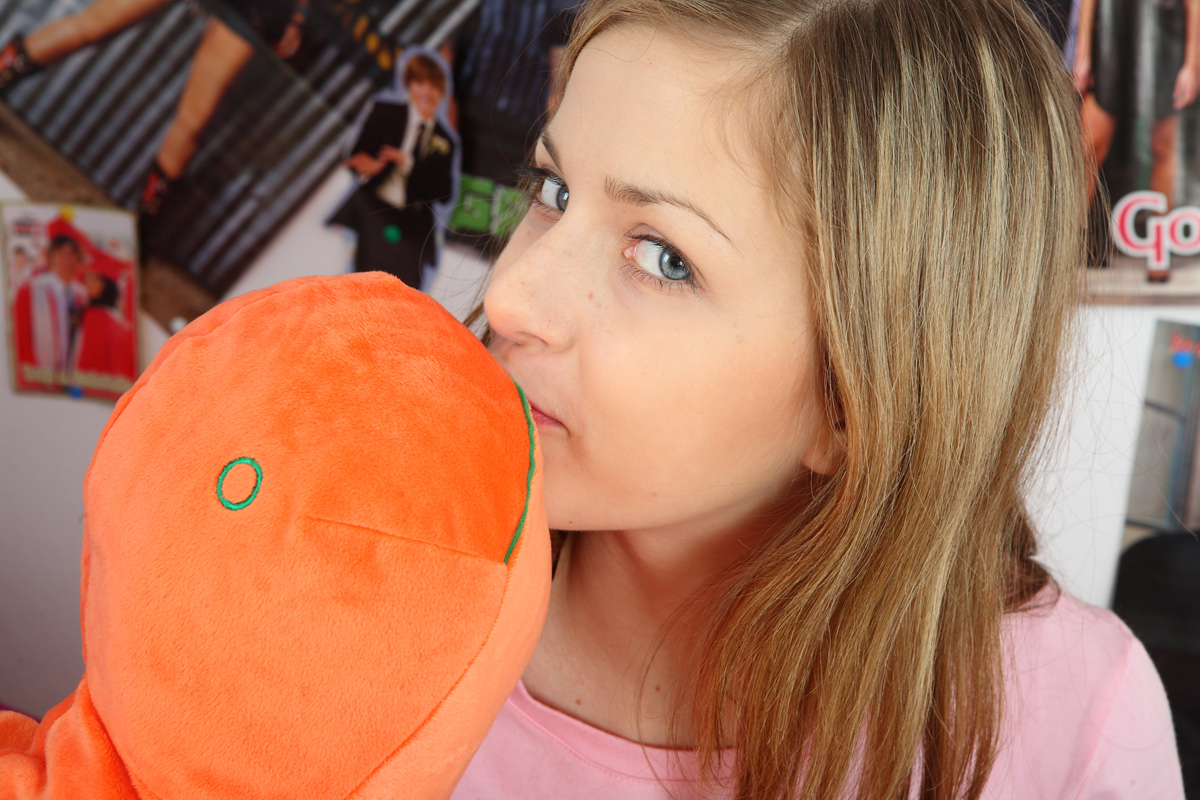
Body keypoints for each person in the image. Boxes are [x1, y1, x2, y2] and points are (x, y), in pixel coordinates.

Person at [451, 1, 1185, 798]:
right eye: (554, 191)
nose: (512, 296)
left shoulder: (1076, 724)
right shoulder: (371, 582)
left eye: (664, 258)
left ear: (853, 400)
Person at [1074, 0, 1200, 280]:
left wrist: (1192, 63)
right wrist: (1083, 54)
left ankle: (1159, 249)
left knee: (1163, 148)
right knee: (1087, 145)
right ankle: (1067, 242)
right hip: (1113, 31)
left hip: (1166, 33)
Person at [328, 52, 458, 291]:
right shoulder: (385, 111)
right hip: (374, 211)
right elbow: (357, 155)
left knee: (403, 292)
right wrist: (368, 167)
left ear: (441, 92)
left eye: (433, 87)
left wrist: (408, 164)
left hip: (411, 227)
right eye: (420, 84)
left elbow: (444, 194)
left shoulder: (445, 141)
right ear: (409, 85)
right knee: (364, 284)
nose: (426, 93)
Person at [28, 233, 84, 382]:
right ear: (51, 257)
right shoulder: (36, 288)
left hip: (72, 376)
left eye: (71, 254)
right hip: (40, 373)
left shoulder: (81, 294)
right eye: (61, 254)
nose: (66, 260)